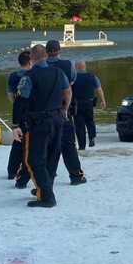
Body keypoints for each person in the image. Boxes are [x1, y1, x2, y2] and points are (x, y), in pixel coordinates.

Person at [11, 44, 71, 208]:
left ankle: (46, 196)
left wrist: (16, 124)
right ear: (45, 55)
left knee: (33, 159)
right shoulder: (59, 72)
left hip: (39, 122)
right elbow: (67, 92)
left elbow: (21, 101)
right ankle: (44, 189)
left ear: (31, 58)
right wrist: (64, 110)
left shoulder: (29, 76)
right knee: (52, 155)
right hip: (58, 119)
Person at [45, 40, 86, 185]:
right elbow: (72, 82)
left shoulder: (40, 67)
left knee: (47, 146)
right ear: (59, 50)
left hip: (44, 111)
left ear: (46, 51)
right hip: (63, 109)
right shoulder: (68, 65)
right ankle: (76, 176)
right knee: (68, 145)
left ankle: (47, 178)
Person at [6, 50, 31, 180]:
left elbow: (10, 94)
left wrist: (16, 104)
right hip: (31, 112)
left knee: (17, 141)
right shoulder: (31, 74)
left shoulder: (13, 75)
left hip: (18, 111)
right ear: (30, 61)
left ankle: (12, 170)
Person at [73, 60, 106, 150]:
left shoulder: (73, 77)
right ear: (85, 67)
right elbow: (99, 89)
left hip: (77, 104)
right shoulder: (93, 77)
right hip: (89, 103)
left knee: (79, 125)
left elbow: (68, 90)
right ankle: (92, 137)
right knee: (90, 121)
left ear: (76, 67)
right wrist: (103, 100)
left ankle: (82, 146)